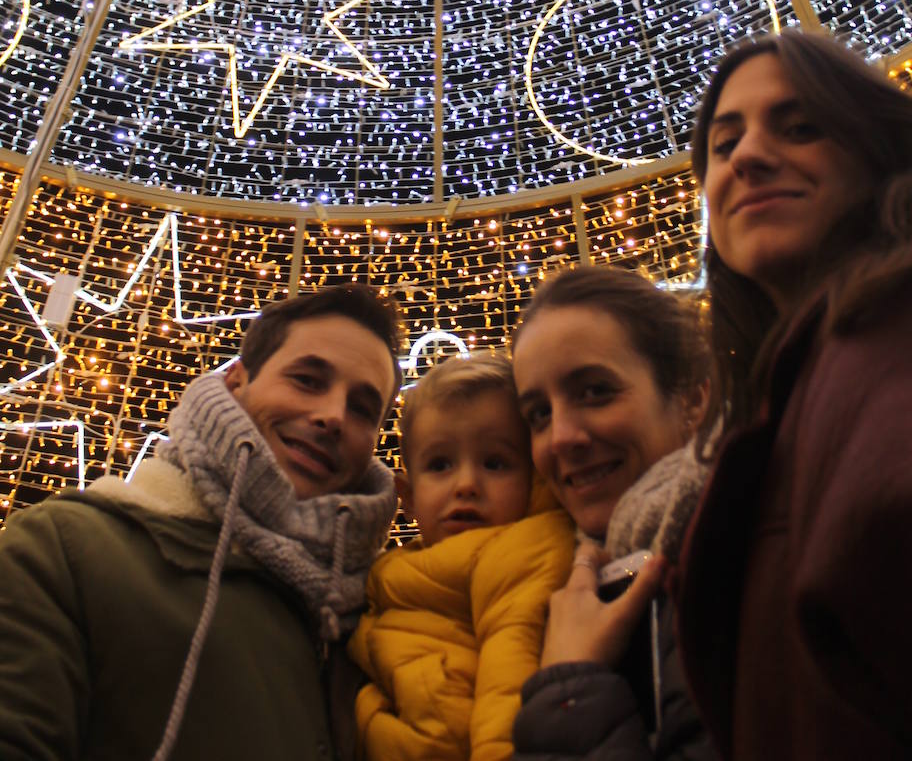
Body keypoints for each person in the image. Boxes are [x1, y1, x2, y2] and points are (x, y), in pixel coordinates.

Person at [0, 283, 402, 761]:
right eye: (308, 380)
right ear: (236, 380)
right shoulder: (66, 549)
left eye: (362, 408)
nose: (333, 416)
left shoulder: (381, 616)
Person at [676, 28, 912, 761]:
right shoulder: (792, 392)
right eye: (723, 145)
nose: (746, 157)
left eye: (802, 126)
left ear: (879, 152)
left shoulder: (892, 336)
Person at [510, 265, 715, 760]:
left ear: (692, 400)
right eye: (539, 413)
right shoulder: (542, 588)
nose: (561, 437)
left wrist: (570, 690)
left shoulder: (741, 545)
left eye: (596, 391)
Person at [348, 351, 575, 761]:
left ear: (535, 476)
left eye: (495, 463)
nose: (467, 484)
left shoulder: (524, 551)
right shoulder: (387, 572)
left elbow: (510, 680)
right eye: (440, 464)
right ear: (409, 497)